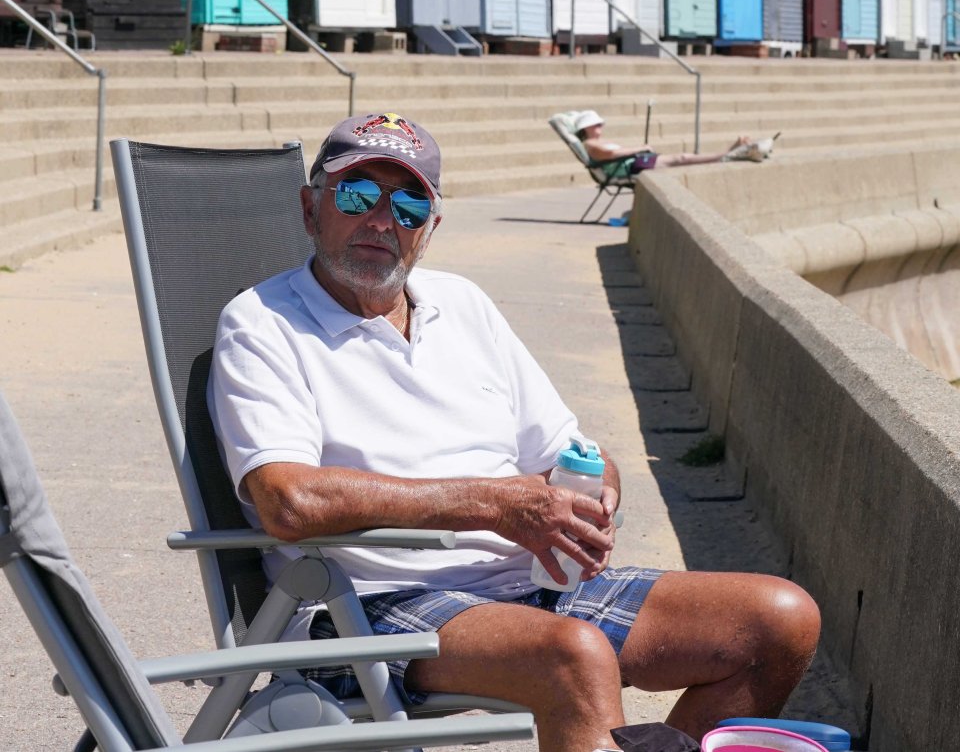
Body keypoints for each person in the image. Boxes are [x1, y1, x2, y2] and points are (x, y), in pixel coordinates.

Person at [207, 111, 820, 752]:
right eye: (357, 195)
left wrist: (594, 493)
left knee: (777, 622)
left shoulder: (462, 304)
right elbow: (288, 501)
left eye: (409, 203)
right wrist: (497, 504)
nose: (383, 221)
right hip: (367, 604)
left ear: (431, 227)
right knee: (574, 657)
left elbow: (568, 448)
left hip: (528, 585)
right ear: (312, 210)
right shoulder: (263, 323)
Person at [574, 109, 770, 175]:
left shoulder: (596, 141)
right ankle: (728, 154)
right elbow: (610, 155)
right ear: (586, 129)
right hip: (632, 166)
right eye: (596, 125)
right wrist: (640, 148)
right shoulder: (590, 144)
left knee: (682, 158)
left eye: (600, 124)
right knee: (682, 158)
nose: (600, 127)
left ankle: (729, 153)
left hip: (634, 162)